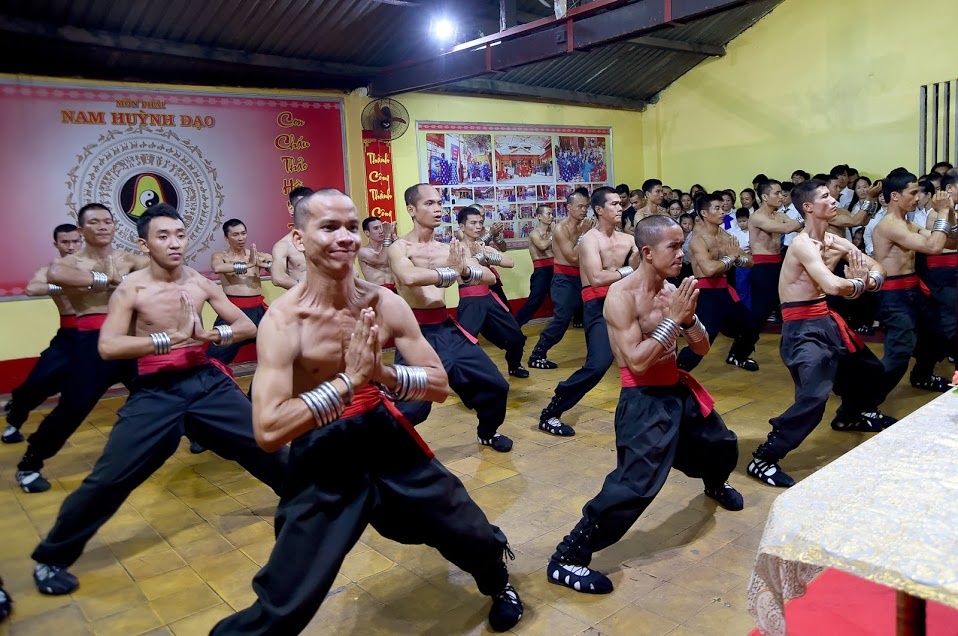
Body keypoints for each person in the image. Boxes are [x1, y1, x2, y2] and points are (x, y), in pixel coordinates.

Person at [214, 189, 524, 634]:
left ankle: (498, 583)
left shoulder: (384, 302)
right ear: (299, 239)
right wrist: (348, 382)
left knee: (467, 527)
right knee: (287, 591)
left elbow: (437, 384)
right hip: (322, 450)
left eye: (350, 226)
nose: (344, 237)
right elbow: (268, 429)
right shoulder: (284, 320)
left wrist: (383, 373)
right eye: (328, 227)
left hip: (385, 433)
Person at [30, 204, 288, 596]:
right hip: (156, 390)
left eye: (180, 235)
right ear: (144, 244)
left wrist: (211, 336)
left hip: (205, 384)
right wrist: (165, 340)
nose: (174, 243)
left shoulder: (199, 282)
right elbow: (109, 345)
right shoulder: (132, 288)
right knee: (110, 477)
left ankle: (309, 506)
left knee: (269, 447)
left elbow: (244, 325)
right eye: (163, 236)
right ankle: (51, 557)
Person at [546, 216, 742, 595]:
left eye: (682, 245)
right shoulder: (622, 296)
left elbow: (702, 348)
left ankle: (715, 483)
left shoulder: (672, 291)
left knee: (721, 443)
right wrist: (673, 321)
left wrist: (688, 321)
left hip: (676, 390)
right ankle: (568, 556)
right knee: (634, 486)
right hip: (643, 400)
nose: (681, 254)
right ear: (648, 252)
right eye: (674, 246)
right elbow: (636, 361)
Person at [748, 180, 893, 487]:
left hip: (826, 320)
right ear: (808, 207)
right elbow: (832, 285)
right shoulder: (802, 244)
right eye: (826, 196)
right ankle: (764, 457)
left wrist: (869, 280)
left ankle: (849, 415)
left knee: (870, 370)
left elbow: (877, 266)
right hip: (802, 329)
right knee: (814, 397)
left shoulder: (834, 241)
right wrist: (859, 284)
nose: (834, 200)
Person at [15, 204, 149, 493]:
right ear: (81, 229)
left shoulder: (129, 259)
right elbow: (55, 275)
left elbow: (157, 271)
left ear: (114, 226)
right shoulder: (70, 263)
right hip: (93, 345)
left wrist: (121, 281)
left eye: (107, 221)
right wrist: (108, 280)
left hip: (131, 341)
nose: (102, 227)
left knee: (167, 393)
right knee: (73, 407)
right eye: (94, 222)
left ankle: (204, 438)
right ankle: (30, 463)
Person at [389, 184, 514, 451]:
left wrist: (466, 271)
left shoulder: (449, 248)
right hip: (415, 334)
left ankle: (487, 433)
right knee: (413, 407)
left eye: (439, 203)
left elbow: (489, 277)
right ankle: (385, 453)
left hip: (448, 329)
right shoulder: (400, 248)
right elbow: (409, 277)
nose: (438, 209)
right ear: (411, 209)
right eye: (429, 203)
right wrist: (454, 272)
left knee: (496, 386)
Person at [538, 187, 636, 437]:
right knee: (597, 365)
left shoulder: (628, 239)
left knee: (646, 359)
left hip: (624, 302)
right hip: (597, 305)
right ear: (599, 210)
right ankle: (551, 412)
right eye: (613, 204)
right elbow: (596, 278)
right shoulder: (589, 240)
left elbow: (643, 264)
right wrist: (630, 270)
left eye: (620, 203)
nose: (619, 208)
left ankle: (644, 414)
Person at [872, 170, 957, 396]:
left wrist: (949, 215)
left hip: (913, 290)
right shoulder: (890, 225)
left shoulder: (908, 224)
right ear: (895, 196)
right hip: (894, 296)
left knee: (937, 334)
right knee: (899, 352)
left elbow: (950, 241)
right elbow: (933, 247)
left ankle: (923, 375)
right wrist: (943, 211)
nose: (918, 198)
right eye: (912, 193)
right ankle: (860, 406)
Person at [3, 224, 83, 444]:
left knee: (137, 375)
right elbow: (32, 289)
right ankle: (14, 423)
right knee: (37, 382)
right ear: (56, 244)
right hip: (69, 336)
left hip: (100, 334)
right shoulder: (49, 270)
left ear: (81, 242)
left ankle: (173, 427)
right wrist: (64, 285)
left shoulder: (95, 267)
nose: (71, 247)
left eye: (75, 241)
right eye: (65, 242)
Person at [677, 193, 758, 372]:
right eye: (717, 208)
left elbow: (750, 261)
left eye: (723, 208)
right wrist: (731, 258)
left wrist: (737, 259)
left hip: (725, 291)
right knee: (704, 339)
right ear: (704, 213)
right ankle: (678, 371)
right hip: (707, 293)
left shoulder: (726, 237)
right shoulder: (698, 240)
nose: (723, 211)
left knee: (750, 326)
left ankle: (738, 356)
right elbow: (709, 270)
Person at [456, 207, 529, 377]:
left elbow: (509, 262)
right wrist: (480, 256)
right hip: (470, 301)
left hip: (489, 297)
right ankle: (464, 377)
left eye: (480, 222)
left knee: (516, 336)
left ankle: (514, 365)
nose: (478, 226)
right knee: (465, 342)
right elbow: (467, 270)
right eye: (473, 223)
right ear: (462, 226)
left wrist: (486, 255)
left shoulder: (484, 247)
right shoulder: (456, 249)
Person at [527, 191, 591, 369]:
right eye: (580, 206)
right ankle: (537, 355)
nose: (584, 210)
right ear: (569, 207)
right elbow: (573, 257)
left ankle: (595, 355)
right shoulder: (561, 229)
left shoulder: (586, 226)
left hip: (583, 277)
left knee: (593, 316)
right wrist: (584, 235)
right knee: (562, 319)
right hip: (564, 279)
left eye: (586, 206)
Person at [207, 219, 273, 364]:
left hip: (258, 311)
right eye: (235, 235)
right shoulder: (221, 256)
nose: (241, 238)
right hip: (232, 312)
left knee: (279, 352)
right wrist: (248, 265)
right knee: (214, 359)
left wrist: (264, 264)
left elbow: (277, 265)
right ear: (226, 238)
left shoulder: (256, 255)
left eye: (243, 233)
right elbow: (217, 268)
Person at [747, 180, 803, 335]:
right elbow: (785, 228)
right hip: (762, 267)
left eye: (782, 193)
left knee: (788, 305)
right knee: (761, 310)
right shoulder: (757, 217)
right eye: (777, 193)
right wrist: (807, 216)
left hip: (779, 264)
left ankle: (796, 342)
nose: (781, 196)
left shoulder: (779, 215)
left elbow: (798, 227)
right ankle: (741, 347)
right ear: (765, 197)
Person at [921, 169, 958, 367]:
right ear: (950, 188)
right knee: (949, 317)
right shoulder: (936, 213)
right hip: (943, 270)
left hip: (951, 269)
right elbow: (942, 243)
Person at [515, 204, 555, 326]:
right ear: (539, 216)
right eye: (548, 214)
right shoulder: (534, 233)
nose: (551, 217)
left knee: (562, 297)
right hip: (542, 270)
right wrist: (554, 234)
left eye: (552, 214)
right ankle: (514, 325)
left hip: (555, 268)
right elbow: (542, 246)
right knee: (535, 301)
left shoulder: (553, 232)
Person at [270, 186, 313, 290]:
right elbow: (278, 278)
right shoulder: (284, 245)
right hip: (302, 298)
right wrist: (308, 291)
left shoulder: (325, 239)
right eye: (301, 206)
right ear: (291, 209)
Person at [357, 216, 397, 290]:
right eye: (376, 228)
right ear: (367, 233)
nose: (381, 231)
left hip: (394, 290)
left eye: (382, 227)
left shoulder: (389, 247)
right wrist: (387, 236)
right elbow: (381, 260)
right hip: (376, 291)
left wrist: (393, 234)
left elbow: (406, 254)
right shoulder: (363, 251)